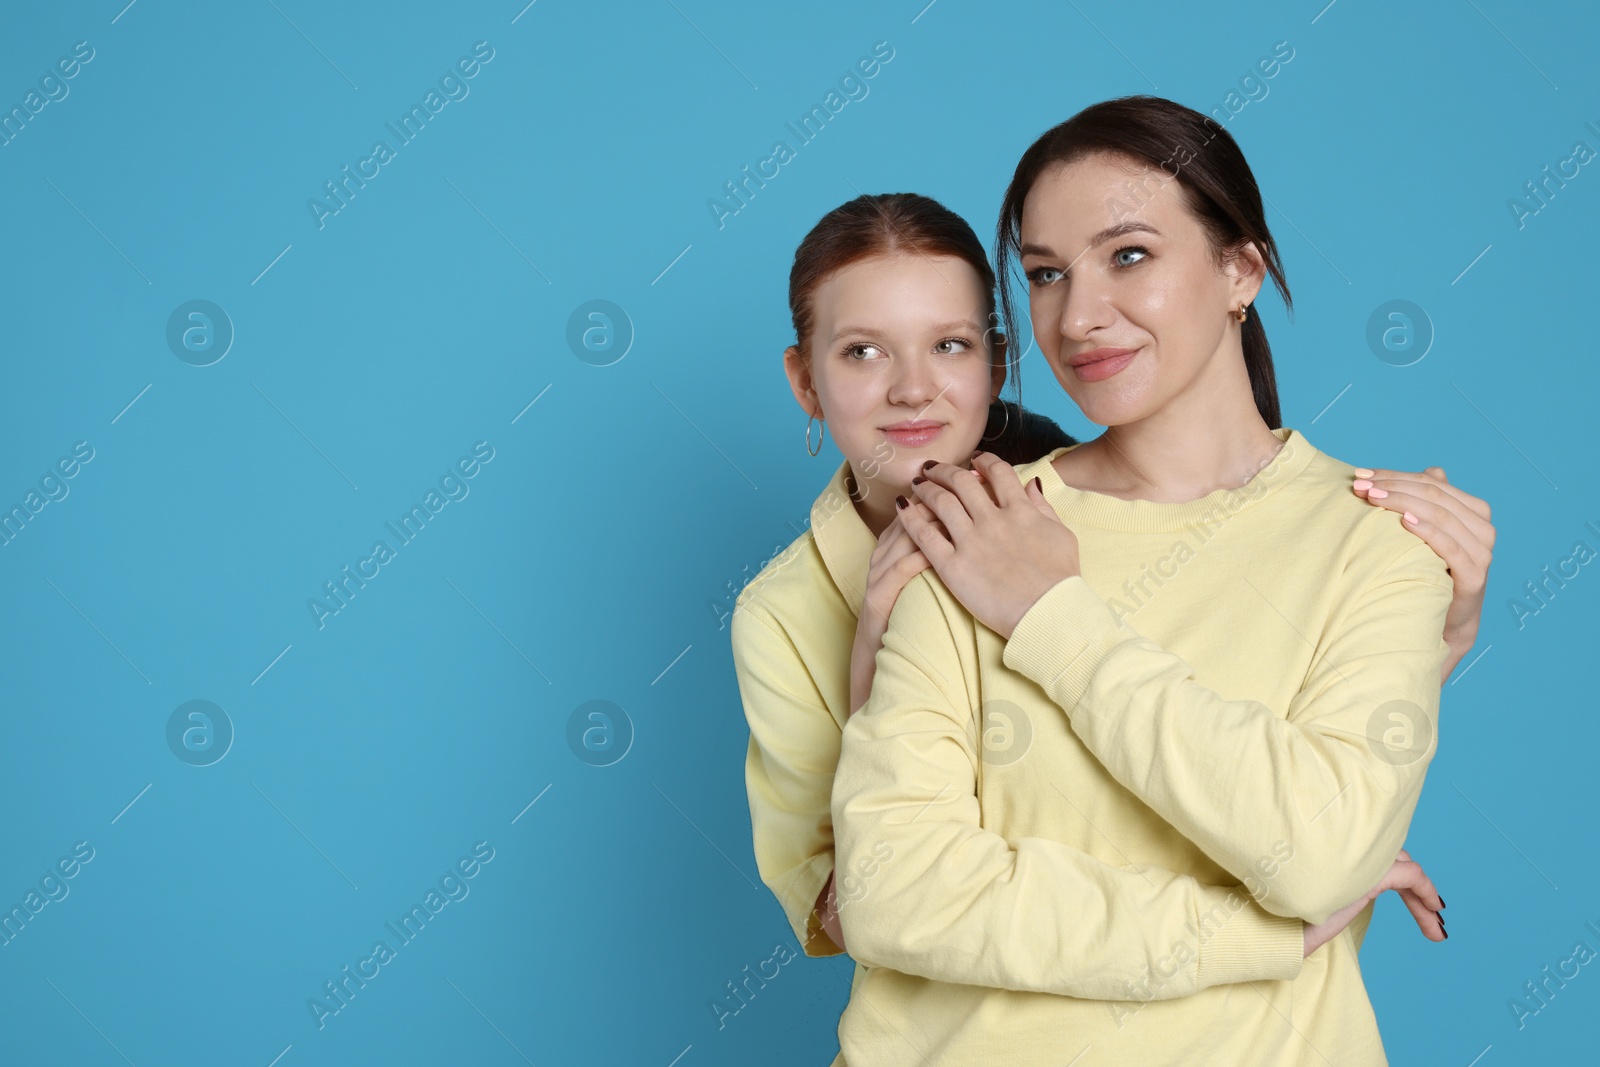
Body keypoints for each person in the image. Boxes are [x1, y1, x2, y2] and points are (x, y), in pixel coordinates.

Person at [828, 97, 1491, 1065]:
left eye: (1127, 254)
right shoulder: (977, 521)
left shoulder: (1379, 538)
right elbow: (892, 890)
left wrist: (1050, 613)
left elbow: (1313, 851)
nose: (1078, 314)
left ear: (1240, 270)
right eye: (1046, 274)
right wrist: (1253, 935)